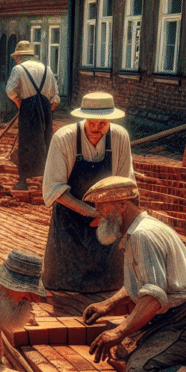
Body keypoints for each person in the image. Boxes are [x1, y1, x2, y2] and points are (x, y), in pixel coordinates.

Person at [83, 177, 186, 372]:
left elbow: (152, 299)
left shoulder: (142, 236)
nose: (98, 211)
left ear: (123, 205)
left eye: (103, 204)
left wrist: (119, 331)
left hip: (181, 319)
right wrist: (108, 304)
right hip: (169, 317)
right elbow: (146, 283)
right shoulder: (136, 231)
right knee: (120, 352)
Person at [42, 93, 134, 293]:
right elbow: (54, 189)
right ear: (83, 117)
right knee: (63, 285)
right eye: (92, 122)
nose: (96, 128)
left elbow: (125, 186)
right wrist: (90, 212)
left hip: (106, 221)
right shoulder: (64, 138)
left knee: (108, 285)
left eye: (103, 124)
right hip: (69, 218)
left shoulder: (119, 137)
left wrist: (110, 217)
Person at [6, 41, 60, 191]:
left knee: (26, 144)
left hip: (28, 108)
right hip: (46, 108)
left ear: (20, 57)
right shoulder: (47, 69)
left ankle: (23, 181)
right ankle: (47, 181)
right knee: (46, 142)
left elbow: (10, 90)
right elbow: (56, 98)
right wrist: (46, 112)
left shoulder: (19, 69)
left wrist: (19, 103)